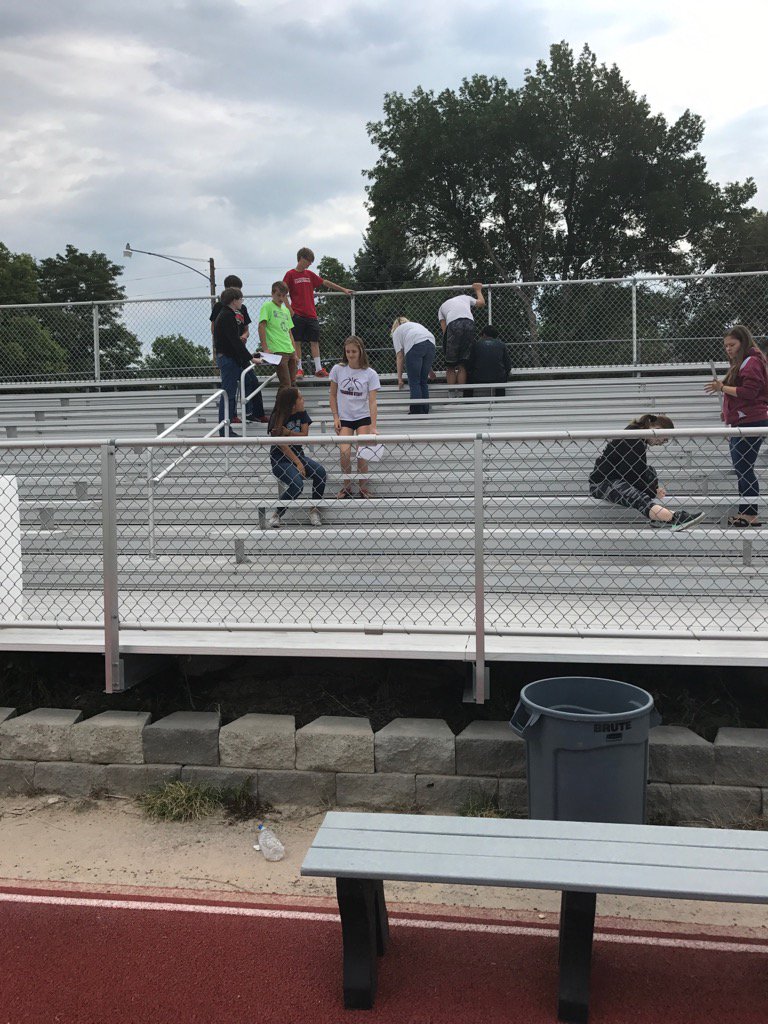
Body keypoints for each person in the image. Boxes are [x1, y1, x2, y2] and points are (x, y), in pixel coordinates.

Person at [589, 414, 705, 530]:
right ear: (657, 430)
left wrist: (653, 489)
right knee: (636, 496)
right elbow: (630, 477)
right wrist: (652, 492)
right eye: (664, 439)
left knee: (649, 471)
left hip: (615, 478)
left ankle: (659, 517)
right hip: (602, 484)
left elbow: (635, 472)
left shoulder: (636, 436)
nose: (661, 443)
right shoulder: (634, 439)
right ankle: (674, 517)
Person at [705, 324, 768, 527]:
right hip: (743, 420)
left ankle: (750, 513)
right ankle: (746, 512)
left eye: (732, 344)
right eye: (725, 346)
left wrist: (722, 387)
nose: (728, 349)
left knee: (744, 467)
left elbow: (749, 393)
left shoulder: (751, 362)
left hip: (750, 420)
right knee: (742, 468)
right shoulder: (745, 362)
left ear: (743, 342)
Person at [283, 247, 354, 379]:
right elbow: (283, 293)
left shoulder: (309, 275)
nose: (310, 264)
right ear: (301, 259)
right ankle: (299, 369)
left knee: (314, 341)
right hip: (297, 314)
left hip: (311, 314)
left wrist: (343, 289)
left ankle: (318, 368)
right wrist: (290, 311)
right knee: (297, 341)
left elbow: (325, 282)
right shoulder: (290, 274)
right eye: (308, 261)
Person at [210, 274, 266, 423]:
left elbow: (242, 331)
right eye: (239, 296)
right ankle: (226, 423)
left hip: (238, 353)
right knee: (229, 390)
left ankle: (253, 413)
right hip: (231, 354)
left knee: (250, 380)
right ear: (232, 297)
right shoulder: (225, 313)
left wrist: (245, 338)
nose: (241, 299)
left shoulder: (236, 311)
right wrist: (250, 357)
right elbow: (229, 338)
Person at [267, 387, 326, 528]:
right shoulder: (277, 416)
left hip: (299, 456)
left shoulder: (302, 414)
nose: (303, 400)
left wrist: (288, 432)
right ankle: (277, 514)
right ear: (292, 403)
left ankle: (314, 509)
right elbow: (283, 445)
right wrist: (298, 463)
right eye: (300, 398)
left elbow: (304, 436)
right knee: (297, 484)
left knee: (320, 473)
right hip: (280, 460)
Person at [329, 336, 380, 498]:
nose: (351, 355)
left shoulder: (370, 373)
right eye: (348, 351)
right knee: (344, 452)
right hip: (345, 417)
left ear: (360, 352)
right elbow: (332, 395)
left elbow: (372, 402)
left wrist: (373, 426)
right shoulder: (338, 369)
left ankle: (363, 488)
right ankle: (347, 487)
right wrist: (336, 417)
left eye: (354, 351)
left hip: (362, 416)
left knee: (362, 452)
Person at [437, 282, 485, 387]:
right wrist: (478, 290)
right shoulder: (464, 297)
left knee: (450, 365)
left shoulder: (441, 308)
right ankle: (461, 396)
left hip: (453, 325)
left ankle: (452, 396)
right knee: (463, 364)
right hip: (469, 323)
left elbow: (445, 330)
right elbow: (481, 303)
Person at [391, 316, 436, 414]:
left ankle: (416, 412)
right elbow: (424, 346)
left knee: (414, 382)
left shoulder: (397, 332)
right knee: (423, 382)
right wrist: (430, 371)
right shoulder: (415, 325)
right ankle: (425, 410)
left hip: (415, 345)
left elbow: (400, 356)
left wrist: (399, 378)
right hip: (431, 343)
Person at [258, 281, 297, 391]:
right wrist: (265, 348)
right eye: (278, 295)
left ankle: (290, 407)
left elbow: (289, 332)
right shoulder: (267, 306)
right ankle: (280, 408)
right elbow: (261, 326)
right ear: (272, 294)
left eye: (283, 296)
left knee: (293, 384)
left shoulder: (286, 310)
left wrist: (295, 352)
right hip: (278, 351)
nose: (281, 298)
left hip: (289, 350)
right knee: (286, 384)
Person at [466, 324, 512, 398]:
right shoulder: (502, 345)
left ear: (484, 334)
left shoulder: (476, 345)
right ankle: (500, 400)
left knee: (467, 378)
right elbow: (508, 364)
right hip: (498, 377)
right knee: (501, 377)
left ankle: (467, 400)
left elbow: (470, 363)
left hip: (478, 377)